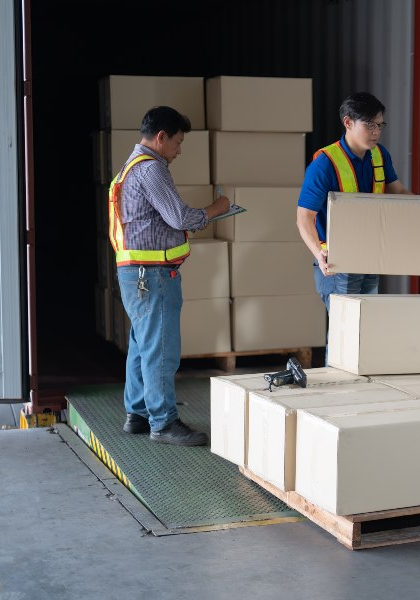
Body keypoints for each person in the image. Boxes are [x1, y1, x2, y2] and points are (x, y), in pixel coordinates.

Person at [110, 106, 230, 446]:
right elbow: (180, 218)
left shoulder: (129, 169)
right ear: (160, 137)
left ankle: (138, 414)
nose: (178, 151)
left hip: (135, 274)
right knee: (161, 348)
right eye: (177, 143)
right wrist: (216, 210)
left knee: (141, 345)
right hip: (152, 276)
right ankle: (163, 423)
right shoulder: (151, 170)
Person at [296, 92, 413, 311]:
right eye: (370, 125)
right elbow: (304, 217)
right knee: (345, 334)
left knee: (365, 329)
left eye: (380, 125)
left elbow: (399, 192)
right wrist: (319, 256)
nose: (376, 132)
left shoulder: (379, 155)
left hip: (369, 256)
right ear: (348, 122)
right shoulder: (325, 164)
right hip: (337, 263)